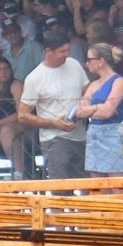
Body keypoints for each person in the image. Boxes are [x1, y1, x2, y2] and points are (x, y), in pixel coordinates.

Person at [18, 31, 90, 181]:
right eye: (61, 51)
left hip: (80, 136)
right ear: (48, 51)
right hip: (54, 139)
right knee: (60, 187)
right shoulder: (35, 77)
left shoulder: (74, 64)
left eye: (68, 50)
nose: (66, 54)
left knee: (86, 184)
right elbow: (23, 115)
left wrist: (83, 110)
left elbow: (87, 93)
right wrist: (54, 123)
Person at [79, 42, 123, 177]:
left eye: (90, 60)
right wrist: (99, 107)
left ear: (101, 61)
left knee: (115, 184)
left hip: (113, 135)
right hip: (94, 135)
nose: (87, 64)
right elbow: (79, 111)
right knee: (96, 184)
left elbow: (107, 112)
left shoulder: (119, 82)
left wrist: (91, 109)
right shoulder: (93, 84)